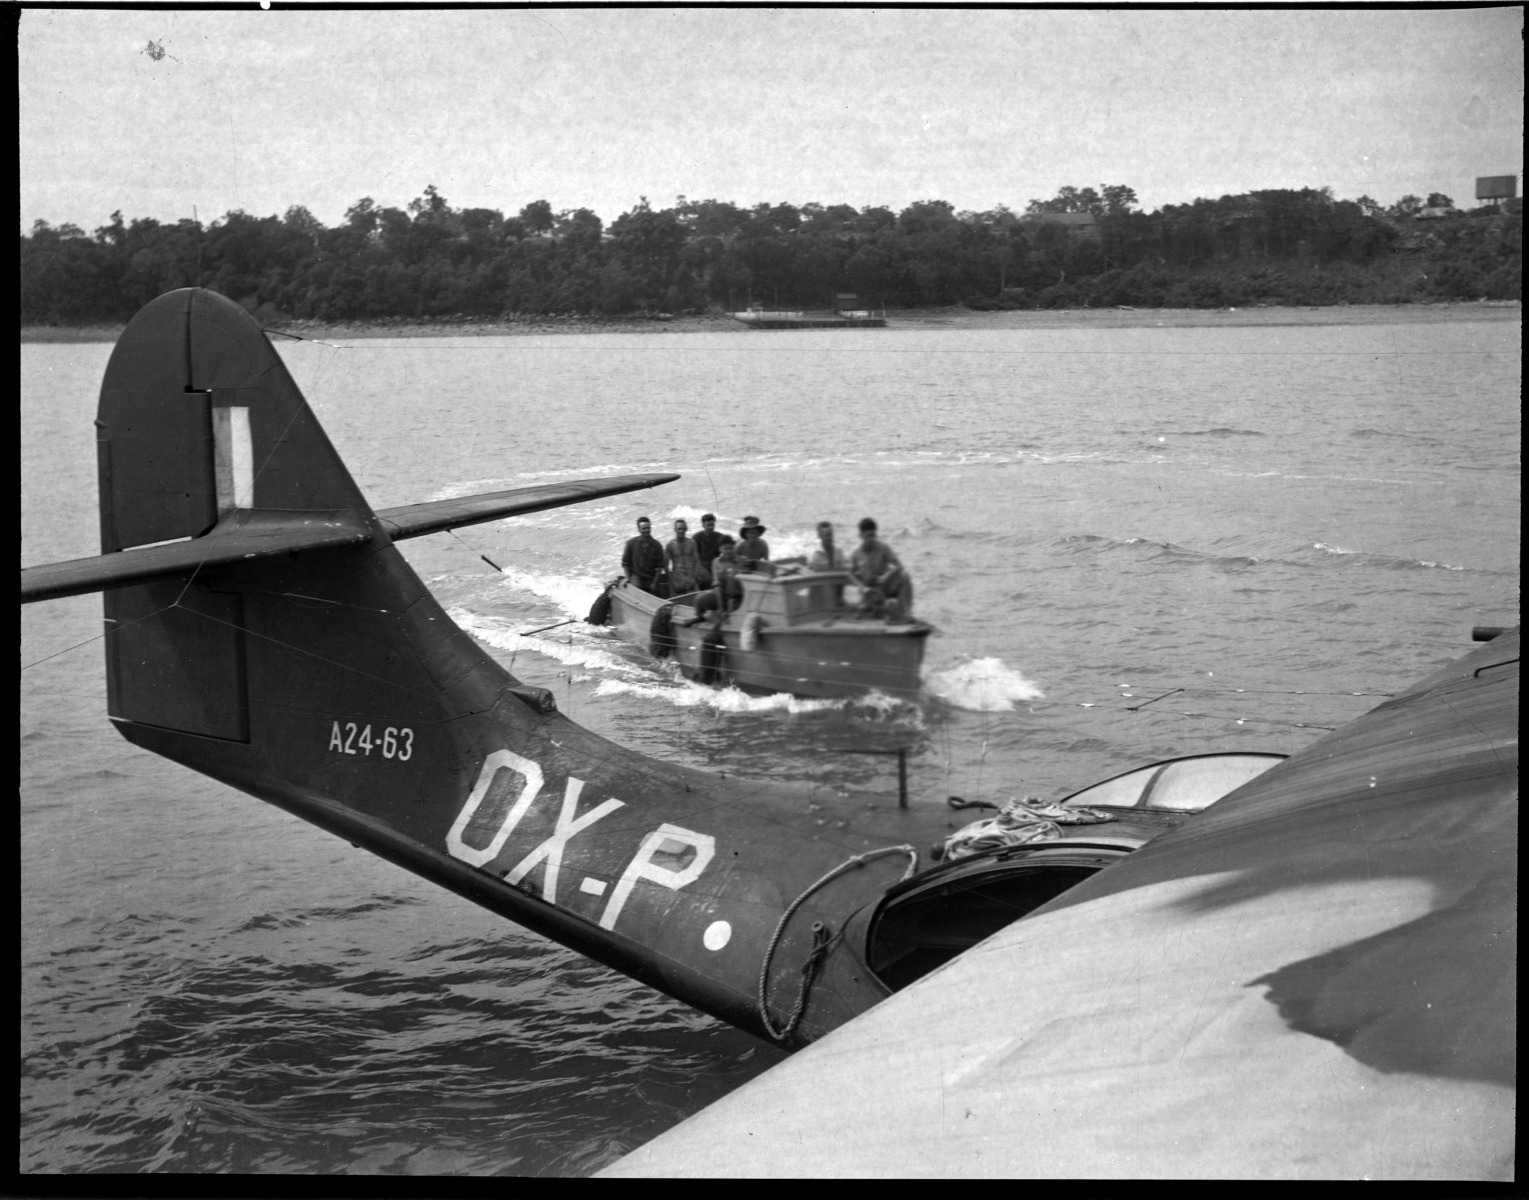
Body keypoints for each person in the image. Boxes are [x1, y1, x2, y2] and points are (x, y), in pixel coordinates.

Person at [850, 517, 914, 619]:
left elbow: (899, 566)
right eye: (868, 536)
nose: (871, 539)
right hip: (869, 591)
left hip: (884, 585)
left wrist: (886, 576)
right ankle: (879, 610)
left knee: (904, 576)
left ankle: (906, 613)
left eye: (873, 535)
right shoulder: (855, 553)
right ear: (861, 536)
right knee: (866, 609)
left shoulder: (883, 548)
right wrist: (862, 587)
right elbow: (850, 574)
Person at [692, 538, 743, 621]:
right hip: (720, 595)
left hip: (737, 597)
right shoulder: (716, 562)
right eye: (726, 548)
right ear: (720, 549)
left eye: (731, 548)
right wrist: (720, 608)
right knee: (699, 599)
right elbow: (717, 585)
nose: (728, 551)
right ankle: (700, 617)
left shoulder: (741, 561)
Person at [621, 516, 665, 594]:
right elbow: (625, 563)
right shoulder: (631, 543)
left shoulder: (657, 545)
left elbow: (660, 567)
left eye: (648, 528)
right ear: (639, 529)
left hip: (651, 577)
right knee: (636, 591)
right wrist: (628, 578)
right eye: (644, 528)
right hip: (637, 576)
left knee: (658, 594)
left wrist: (654, 583)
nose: (646, 531)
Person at [665, 518, 702, 596]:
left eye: (683, 528)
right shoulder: (670, 545)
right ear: (675, 529)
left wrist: (694, 578)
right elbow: (665, 565)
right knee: (675, 603)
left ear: (686, 529)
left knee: (697, 600)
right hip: (677, 577)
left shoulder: (692, 543)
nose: (681, 531)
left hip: (691, 575)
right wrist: (673, 581)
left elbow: (697, 562)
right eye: (679, 529)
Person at [692, 513, 724, 588]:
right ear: (703, 525)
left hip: (716, 565)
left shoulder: (720, 536)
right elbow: (692, 556)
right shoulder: (696, 537)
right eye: (708, 525)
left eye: (712, 525)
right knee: (706, 580)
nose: (710, 527)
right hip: (701, 566)